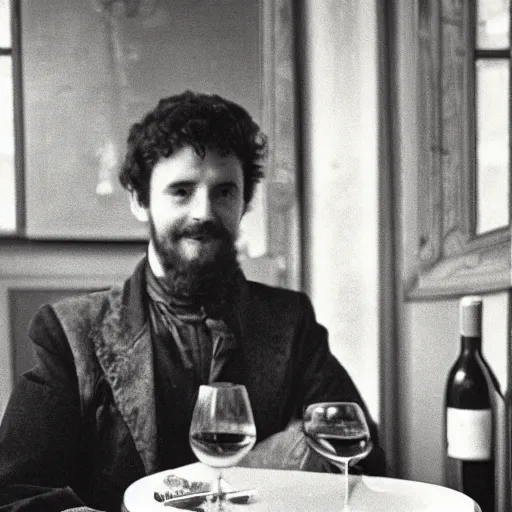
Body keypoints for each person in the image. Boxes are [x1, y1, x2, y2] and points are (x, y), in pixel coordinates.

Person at [0, 91, 386, 512]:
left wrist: (269, 464)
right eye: (182, 191)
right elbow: (19, 493)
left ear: (245, 202)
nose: (204, 212)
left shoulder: (290, 321)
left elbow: (362, 456)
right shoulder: (69, 332)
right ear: (139, 199)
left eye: (223, 192)